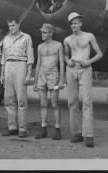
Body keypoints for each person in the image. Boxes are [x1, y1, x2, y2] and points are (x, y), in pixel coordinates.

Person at [63, 12, 103, 147]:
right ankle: (76, 133)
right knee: (72, 102)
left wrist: (89, 61)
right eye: (71, 24)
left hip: (85, 69)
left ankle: (89, 135)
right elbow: (65, 55)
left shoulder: (89, 36)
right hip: (71, 70)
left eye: (76, 23)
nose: (73, 25)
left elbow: (99, 54)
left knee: (87, 102)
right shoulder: (67, 39)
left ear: (80, 23)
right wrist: (67, 61)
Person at [1, 17, 34, 138]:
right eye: (9, 26)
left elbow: (30, 57)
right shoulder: (6, 39)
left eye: (13, 25)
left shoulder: (26, 38)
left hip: (21, 64)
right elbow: (3, 58)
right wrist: (2, 74)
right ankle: (12, 127)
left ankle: (22, 128)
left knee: (21, 98)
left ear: (19, 25)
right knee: (9, 99)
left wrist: (29, 73)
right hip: (9, 65)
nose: (11, 28)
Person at [33, 23, 65, 140]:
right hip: (41, 75)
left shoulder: (58, 45)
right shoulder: (40, 47)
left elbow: (61, 62)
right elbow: (38, 64)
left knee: (55, 103)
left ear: (51, 33)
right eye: (42, 32)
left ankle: (57, 129)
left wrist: (62, 79)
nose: (42, 34)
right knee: (42, 104)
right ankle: (43, 129)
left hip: (53, 75)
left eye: (45, 32)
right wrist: (35, 81)